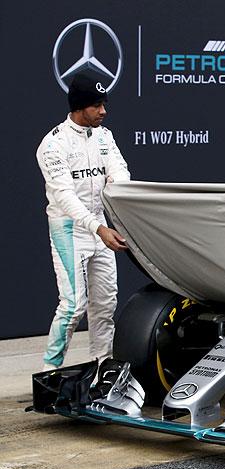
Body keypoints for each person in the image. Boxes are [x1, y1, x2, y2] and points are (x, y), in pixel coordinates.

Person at [36, 73, 130, 371]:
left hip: (100, 226)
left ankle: (102, 367)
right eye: (97, 105)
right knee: (73, 306)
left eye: (104, 104)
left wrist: (118, 189)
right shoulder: (53, 145)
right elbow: (64, 196)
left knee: (105, 304)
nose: (104, 111)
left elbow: (120, 174)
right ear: (79, 107)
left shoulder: (105, 136)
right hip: (69, 229)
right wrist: (99, 228)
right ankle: (49, 371)